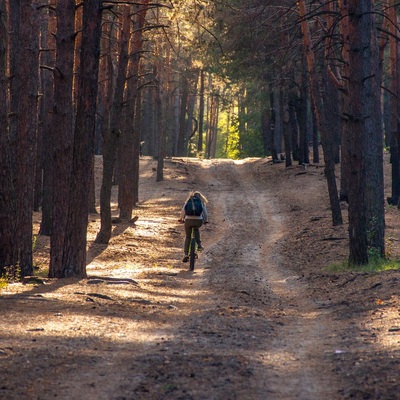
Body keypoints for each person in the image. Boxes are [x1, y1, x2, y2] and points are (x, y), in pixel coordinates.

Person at [178, 191, 209, 263]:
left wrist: (181, 219)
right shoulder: (201, 202)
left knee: (188, 236)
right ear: (200, 196)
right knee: (196, 229)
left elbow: (183, 211)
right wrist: (206, 220)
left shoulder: (188, 201)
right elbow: (205, 213)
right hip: (198, 221)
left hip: (188, 220)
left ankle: (186, 254)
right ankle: (199, 245)